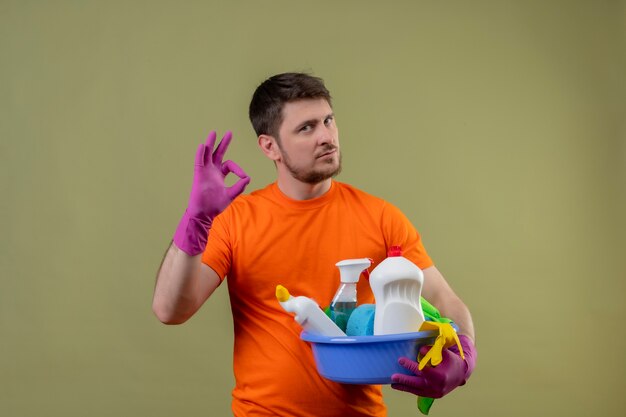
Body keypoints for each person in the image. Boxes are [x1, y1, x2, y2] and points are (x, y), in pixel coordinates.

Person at [153, 72, 477, 416]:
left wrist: (465, 357)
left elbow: (445, 300)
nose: (327, 136)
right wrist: (195, 221)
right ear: (270, 146)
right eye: (306, 128)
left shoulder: (381, 217)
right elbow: (171, 310)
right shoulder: (236, 220)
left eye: (328, 120)